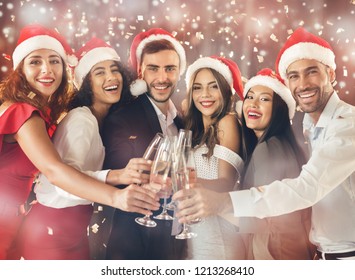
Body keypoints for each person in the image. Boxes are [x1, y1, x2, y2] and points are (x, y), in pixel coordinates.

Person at [173, 27, 355, 260]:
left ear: (330, 74)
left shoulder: (346, 124)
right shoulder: (308, 127)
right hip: (322, 255)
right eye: (294, 76)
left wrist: (223, 202)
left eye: (312, 72)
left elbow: (304, 190)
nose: (303, 83)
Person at [0, 24, 159, 260]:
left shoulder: (46, 115)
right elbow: (56, 173)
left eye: (55, 61)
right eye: (35, 61)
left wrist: (119, 175)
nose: (47, 69)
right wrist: (116, 195)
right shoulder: (25, 113)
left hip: (18, 223)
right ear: (20, 69)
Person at [95, 28, 187, 260]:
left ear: (179, 72)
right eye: (153, 69)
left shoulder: (183, 122)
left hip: (175, 243)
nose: (162, 78)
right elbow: (117, 183)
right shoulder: (122, 118)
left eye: (169, 69)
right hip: (134, 247)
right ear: (141, 72)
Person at [239, 67, 314, 259]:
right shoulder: (283, 145)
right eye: (250, 97)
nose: (253, 104)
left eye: (264, 99)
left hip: (273, 252)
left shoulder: (268, 149)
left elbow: (262, 218)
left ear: (279, 108)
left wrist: (213, 205)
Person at [182, 56, 246, 259]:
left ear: (226, 91)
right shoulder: (196, 130)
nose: (205, 95)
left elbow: (226, 183)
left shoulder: (227, 122)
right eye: (198, 88)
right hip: (198, 233)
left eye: (213, 87)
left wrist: (180, 180)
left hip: (220, 234)